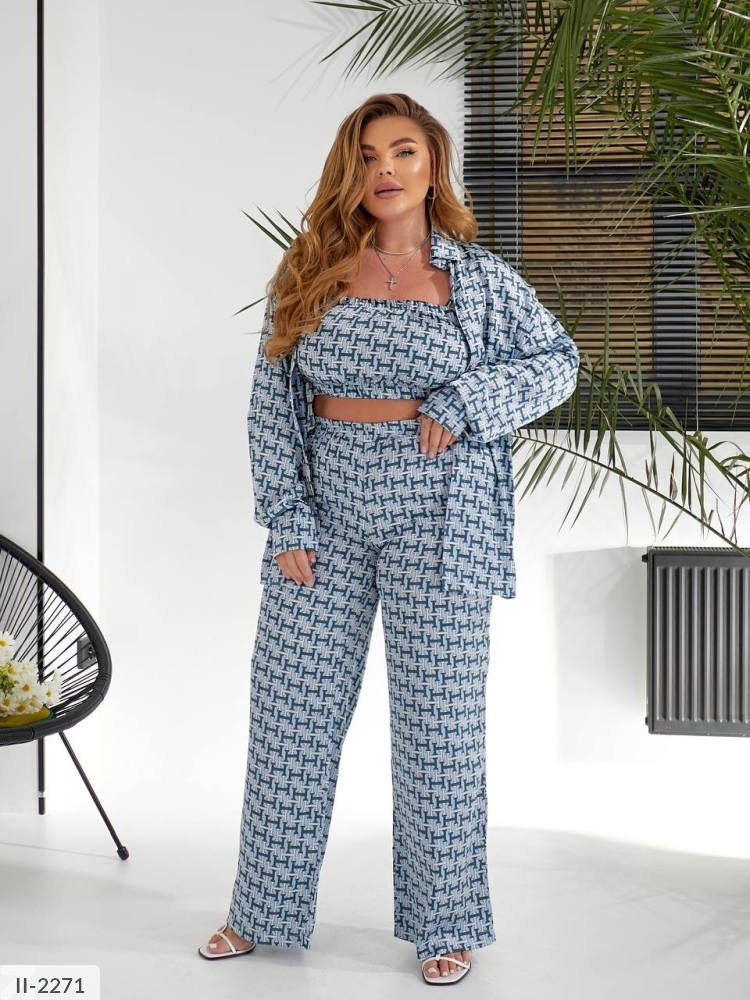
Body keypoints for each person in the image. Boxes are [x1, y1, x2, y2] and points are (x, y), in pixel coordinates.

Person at [198, 93, 579, 985]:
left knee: (439, 729)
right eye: (368, 155)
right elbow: (272, 407)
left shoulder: (481, 280)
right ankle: (261, 910)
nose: (386, 170)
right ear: (351, 170)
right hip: (325, 520)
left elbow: (558, 362)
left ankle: (446, 925)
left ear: (433, 165)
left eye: (403, 151)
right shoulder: (310, 270)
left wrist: (469, 399)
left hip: (443, 521)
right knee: (291, 720)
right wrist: (287, 519)